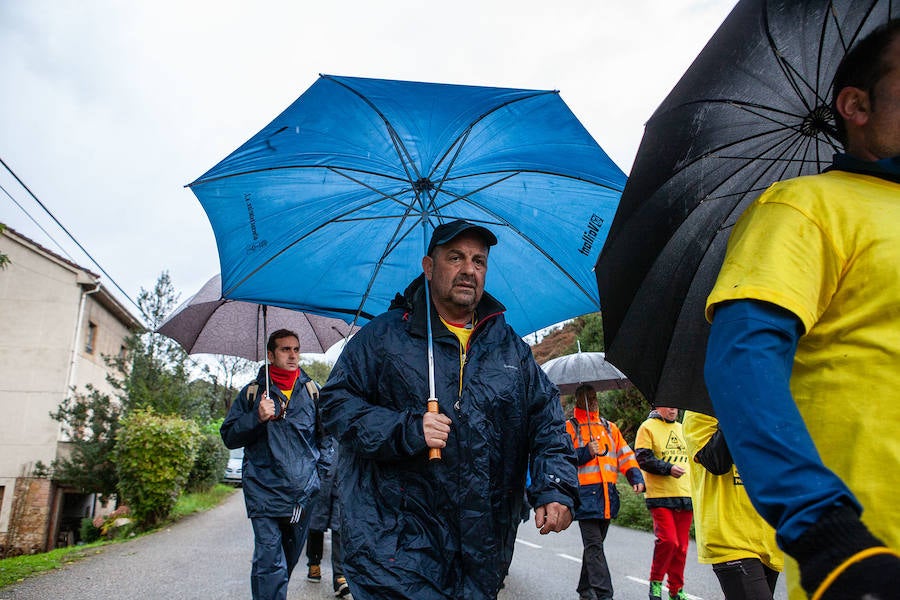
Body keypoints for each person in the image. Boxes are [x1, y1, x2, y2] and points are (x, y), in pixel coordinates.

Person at [704, 19, 900, 600]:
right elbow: (742, 361)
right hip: (868, 561)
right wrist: (826, 534)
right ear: (856, 105)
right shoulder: (805, 208)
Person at [319, 219, 579, 600]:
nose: (469, 270)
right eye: (455, 258)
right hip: (395, 551)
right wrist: (406, 429)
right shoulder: (383, 336)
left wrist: (554, 485)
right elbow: (336, 405)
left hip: (481, 552)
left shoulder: (510, 348)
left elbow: (547, 421)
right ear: (428, 266)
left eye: (479, 261)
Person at [220, 329, 331, 600]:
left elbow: (326, 439)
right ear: (270, 355)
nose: (292, 355)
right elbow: (229, 437)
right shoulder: (252, 393)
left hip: (301, 494)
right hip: (263, 491)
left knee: (287, 560)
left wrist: (318, 476)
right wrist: (255, 418)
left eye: (296, 349)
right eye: (285, 350)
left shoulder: (313, 391)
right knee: (270, 560)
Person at [682, 411, 783, 599]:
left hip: (768, 536)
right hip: (730, 537)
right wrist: (735, 405)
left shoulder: (765, 410)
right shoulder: (699, 411)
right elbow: (716, 461)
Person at [566, 384, 645, 600]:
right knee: (594, 546)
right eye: (586, 397)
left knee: (594, 547)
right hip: (584, 497)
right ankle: (604, 594)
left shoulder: (610, 428)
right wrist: (584, 452)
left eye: (593, 397)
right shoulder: (570, 428)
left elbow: (625, 455)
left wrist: (635, 477)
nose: (592, 400)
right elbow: (562, 459)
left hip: (608, 496)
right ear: (577, 401)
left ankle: (585, 588)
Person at [634, 405, 692, 600]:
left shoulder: (682, 428)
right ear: (657, 406)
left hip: (685, 494)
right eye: (668, 405)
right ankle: (656, 582)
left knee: (681, 547)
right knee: (668, 541)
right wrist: (668, 468)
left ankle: (676, 590)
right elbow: (643, 458)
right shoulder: (647, 427)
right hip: (659, 495)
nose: (673, 409)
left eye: (676, 406)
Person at [304, 436, 352, 598]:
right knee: (315, 524)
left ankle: (339, 576)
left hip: (341, 477)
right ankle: (314, 563)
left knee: (340, 526)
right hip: (320, 477)